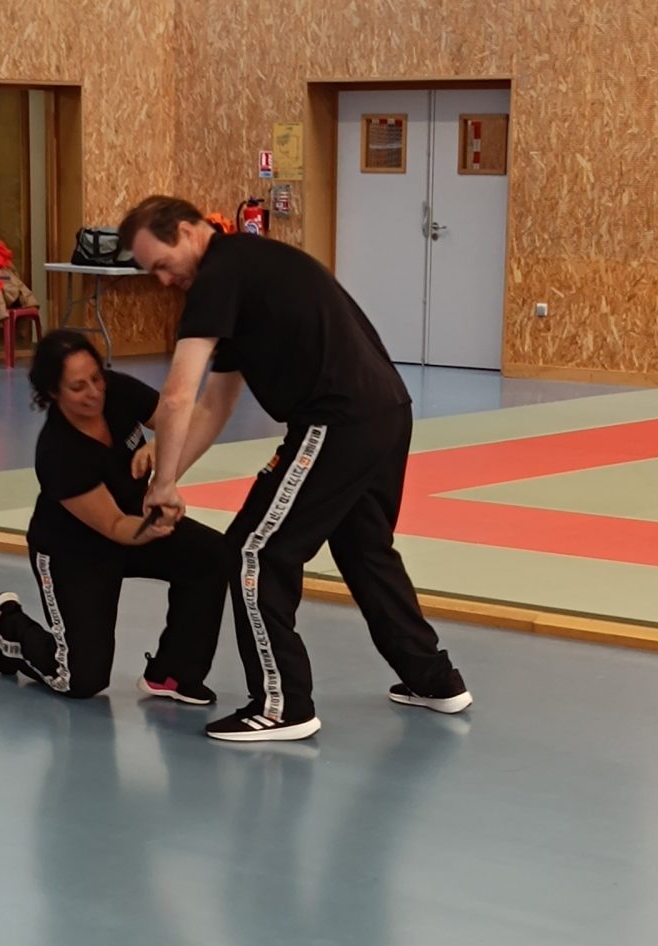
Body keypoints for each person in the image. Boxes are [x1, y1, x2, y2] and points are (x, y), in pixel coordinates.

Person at [117, 196, 472, 747]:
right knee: (365, 550)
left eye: (162, 264)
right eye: (151, 273)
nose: (162, 281)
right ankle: (434, 680)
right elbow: (214, 405)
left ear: (187, 231)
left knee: (253, 552)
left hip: (336, 419)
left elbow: (179, 393)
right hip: (385, 412)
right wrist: (169, 469)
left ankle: (282, 705)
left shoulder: (217, 276)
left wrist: (162, 484)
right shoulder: (248, 268)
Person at [0, 328, 227, 705]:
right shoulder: (58, 453)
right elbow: (114, 526)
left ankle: (174, 673)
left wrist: (160, 445)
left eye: (96, 378)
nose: (94, 392)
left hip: (130, 526)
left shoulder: (117, 391)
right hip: (74, 553)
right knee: (82, 680)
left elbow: (181, 419)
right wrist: (154, 525)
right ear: (53, 393)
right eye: (78, 387)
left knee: (212, 555)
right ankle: (10, 629)